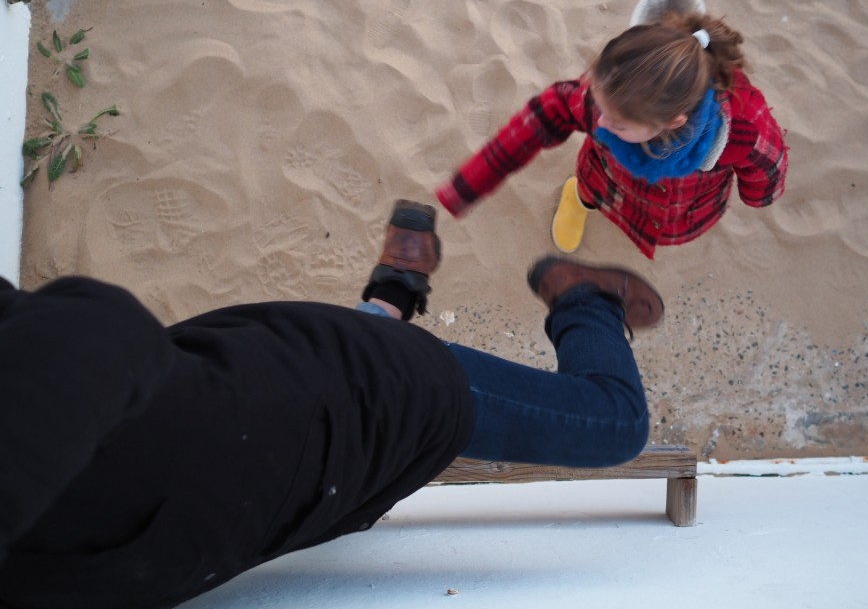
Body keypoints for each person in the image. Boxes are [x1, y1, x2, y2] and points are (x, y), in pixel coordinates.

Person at [0, 200, 663, 609]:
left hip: (377, 393)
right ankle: (394, 291)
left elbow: (96, 325)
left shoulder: (50, 368)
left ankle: (583, 300)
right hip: (277, 409)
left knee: (614, 423)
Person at [436, 0, 789, 258]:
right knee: (592, 189)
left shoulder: (738, 128)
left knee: (671, 230)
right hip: (606, 180)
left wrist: (760, 194)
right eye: (600, 107)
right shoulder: (600, 101)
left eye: (618, 124)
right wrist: (470, 184)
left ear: (673, 121)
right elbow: (533, 123)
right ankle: (580, 198)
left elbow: (769, 161)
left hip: (687, 209)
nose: (599, 124)